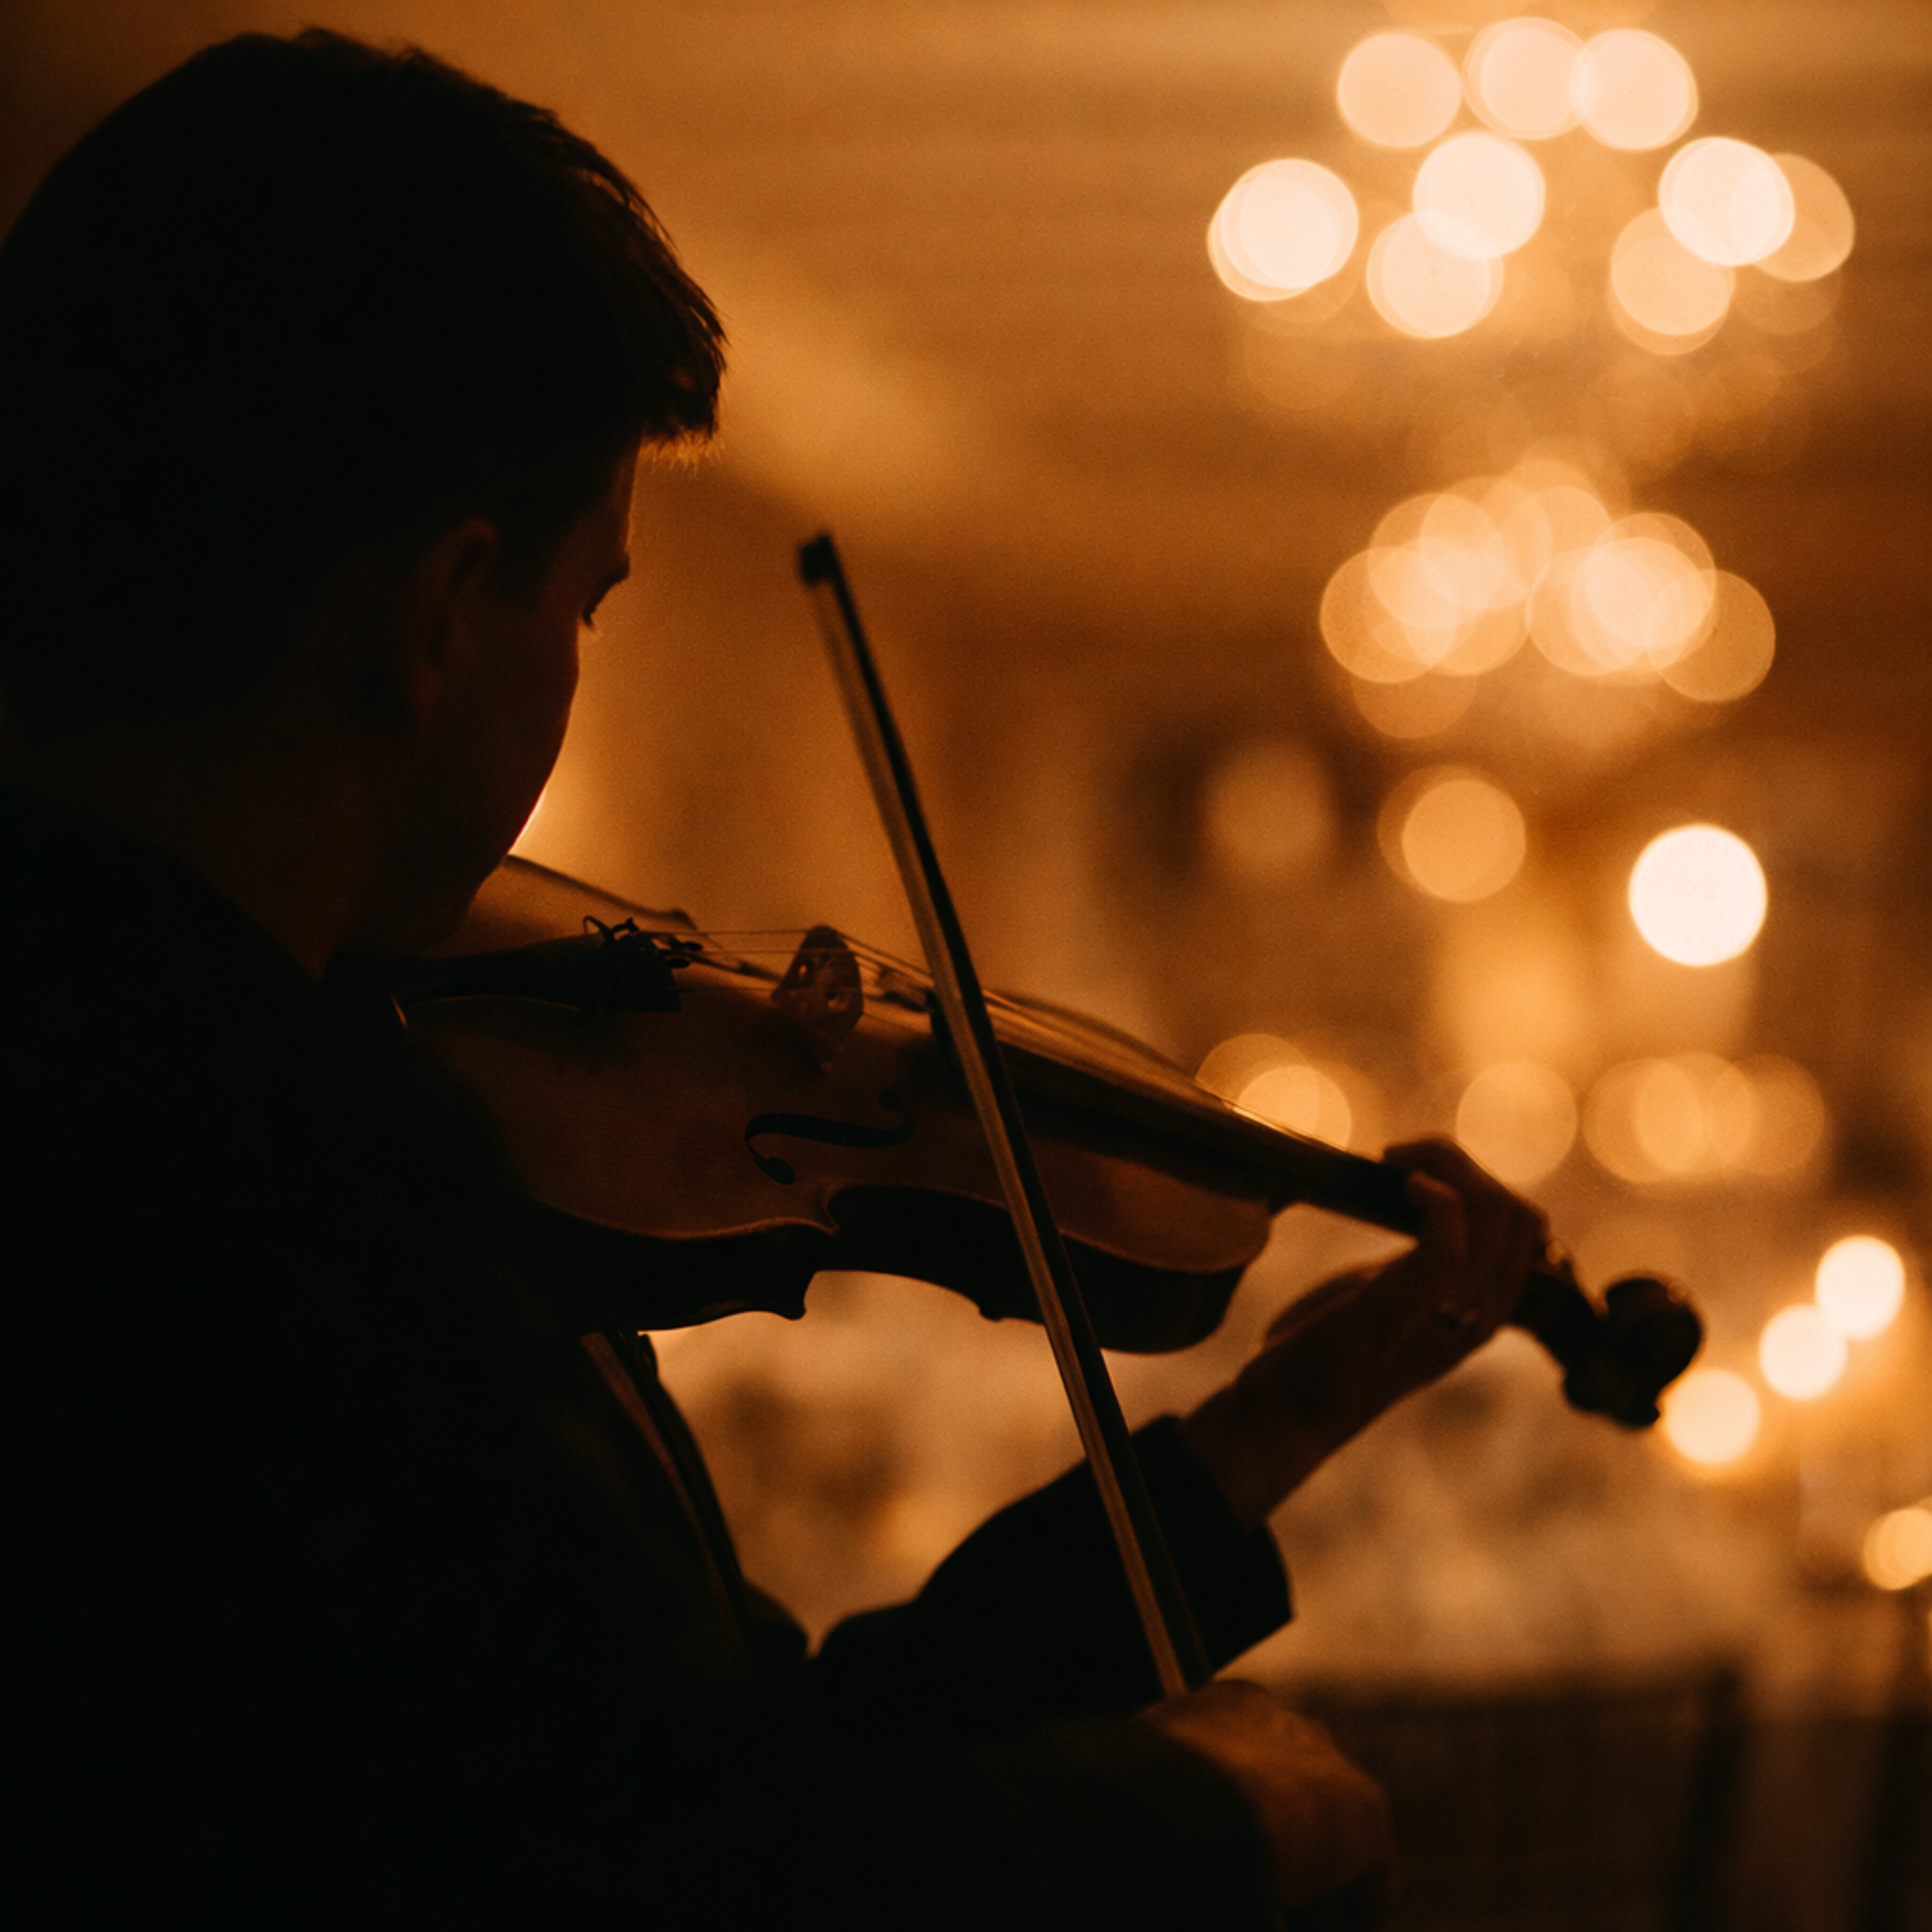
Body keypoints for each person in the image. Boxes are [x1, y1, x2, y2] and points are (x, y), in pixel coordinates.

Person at [0, 30, 1548, 1927]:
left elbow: (686, 1765)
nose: (567, 665)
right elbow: (710, 1882)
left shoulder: (202, 1086)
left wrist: (1253, 1441)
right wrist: (1211, 1815)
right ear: (434, 615)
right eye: (586, 603)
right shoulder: (289, 1194)